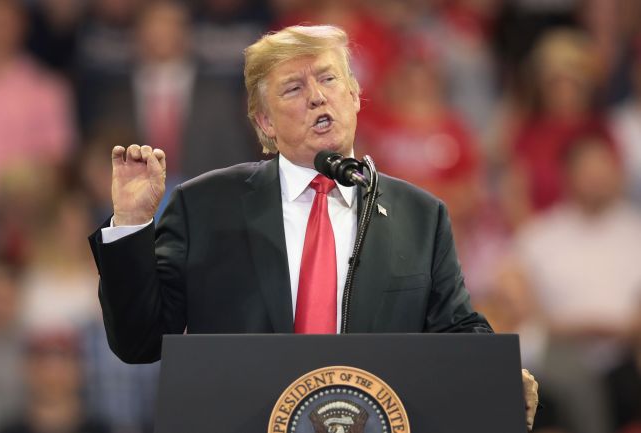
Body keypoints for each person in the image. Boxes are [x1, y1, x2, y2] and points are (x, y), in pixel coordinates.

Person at [87, 25, 539, 429]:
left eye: (328, 79)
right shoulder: (204, 206)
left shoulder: (418, 214)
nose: (317, 97)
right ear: (264, 121)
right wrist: (131, 222)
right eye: (293, 88)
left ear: (355, 95)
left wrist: (498, 377)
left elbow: (456, 332)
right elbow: (138, 341)